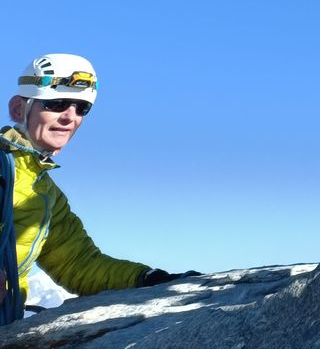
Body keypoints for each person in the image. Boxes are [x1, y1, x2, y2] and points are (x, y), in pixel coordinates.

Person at [2, 55, 189, 323]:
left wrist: (148, 278)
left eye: (81, 108)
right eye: (56, 104)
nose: (70, 117)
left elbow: (78, 265)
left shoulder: (47, 195)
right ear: (19, 109)